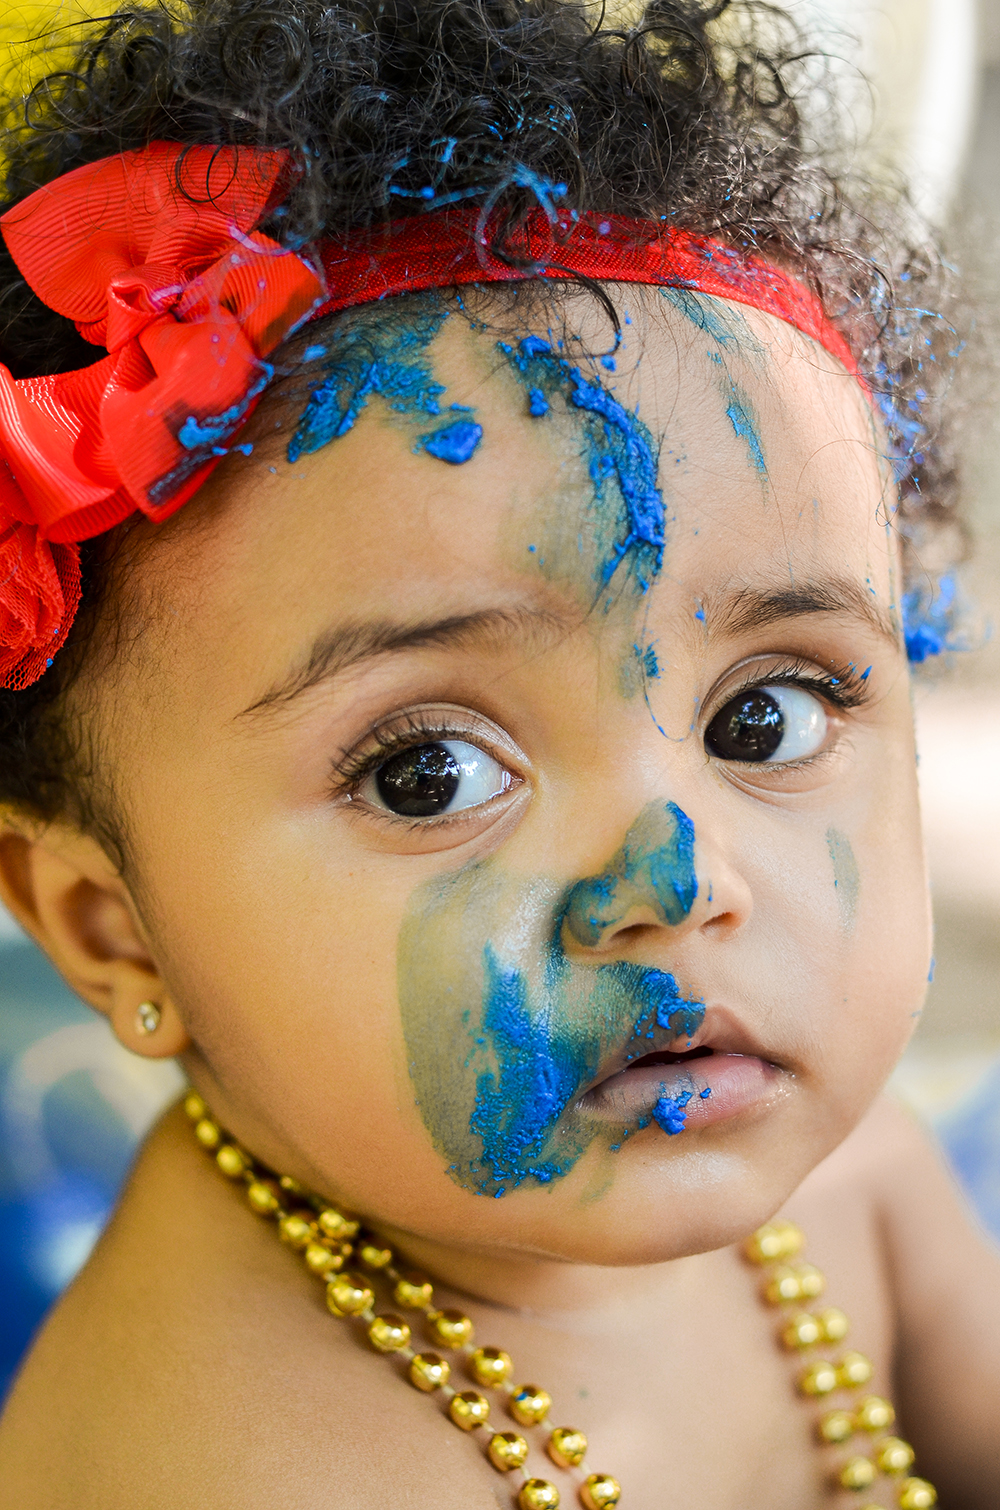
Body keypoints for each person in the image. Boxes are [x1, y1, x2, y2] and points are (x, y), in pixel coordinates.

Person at [0, 1, 997, 1505]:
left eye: (766, 716)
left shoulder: (849, 1182)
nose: (677, 881)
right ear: (109, 926)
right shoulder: (220, 1461)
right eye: (430, 772)